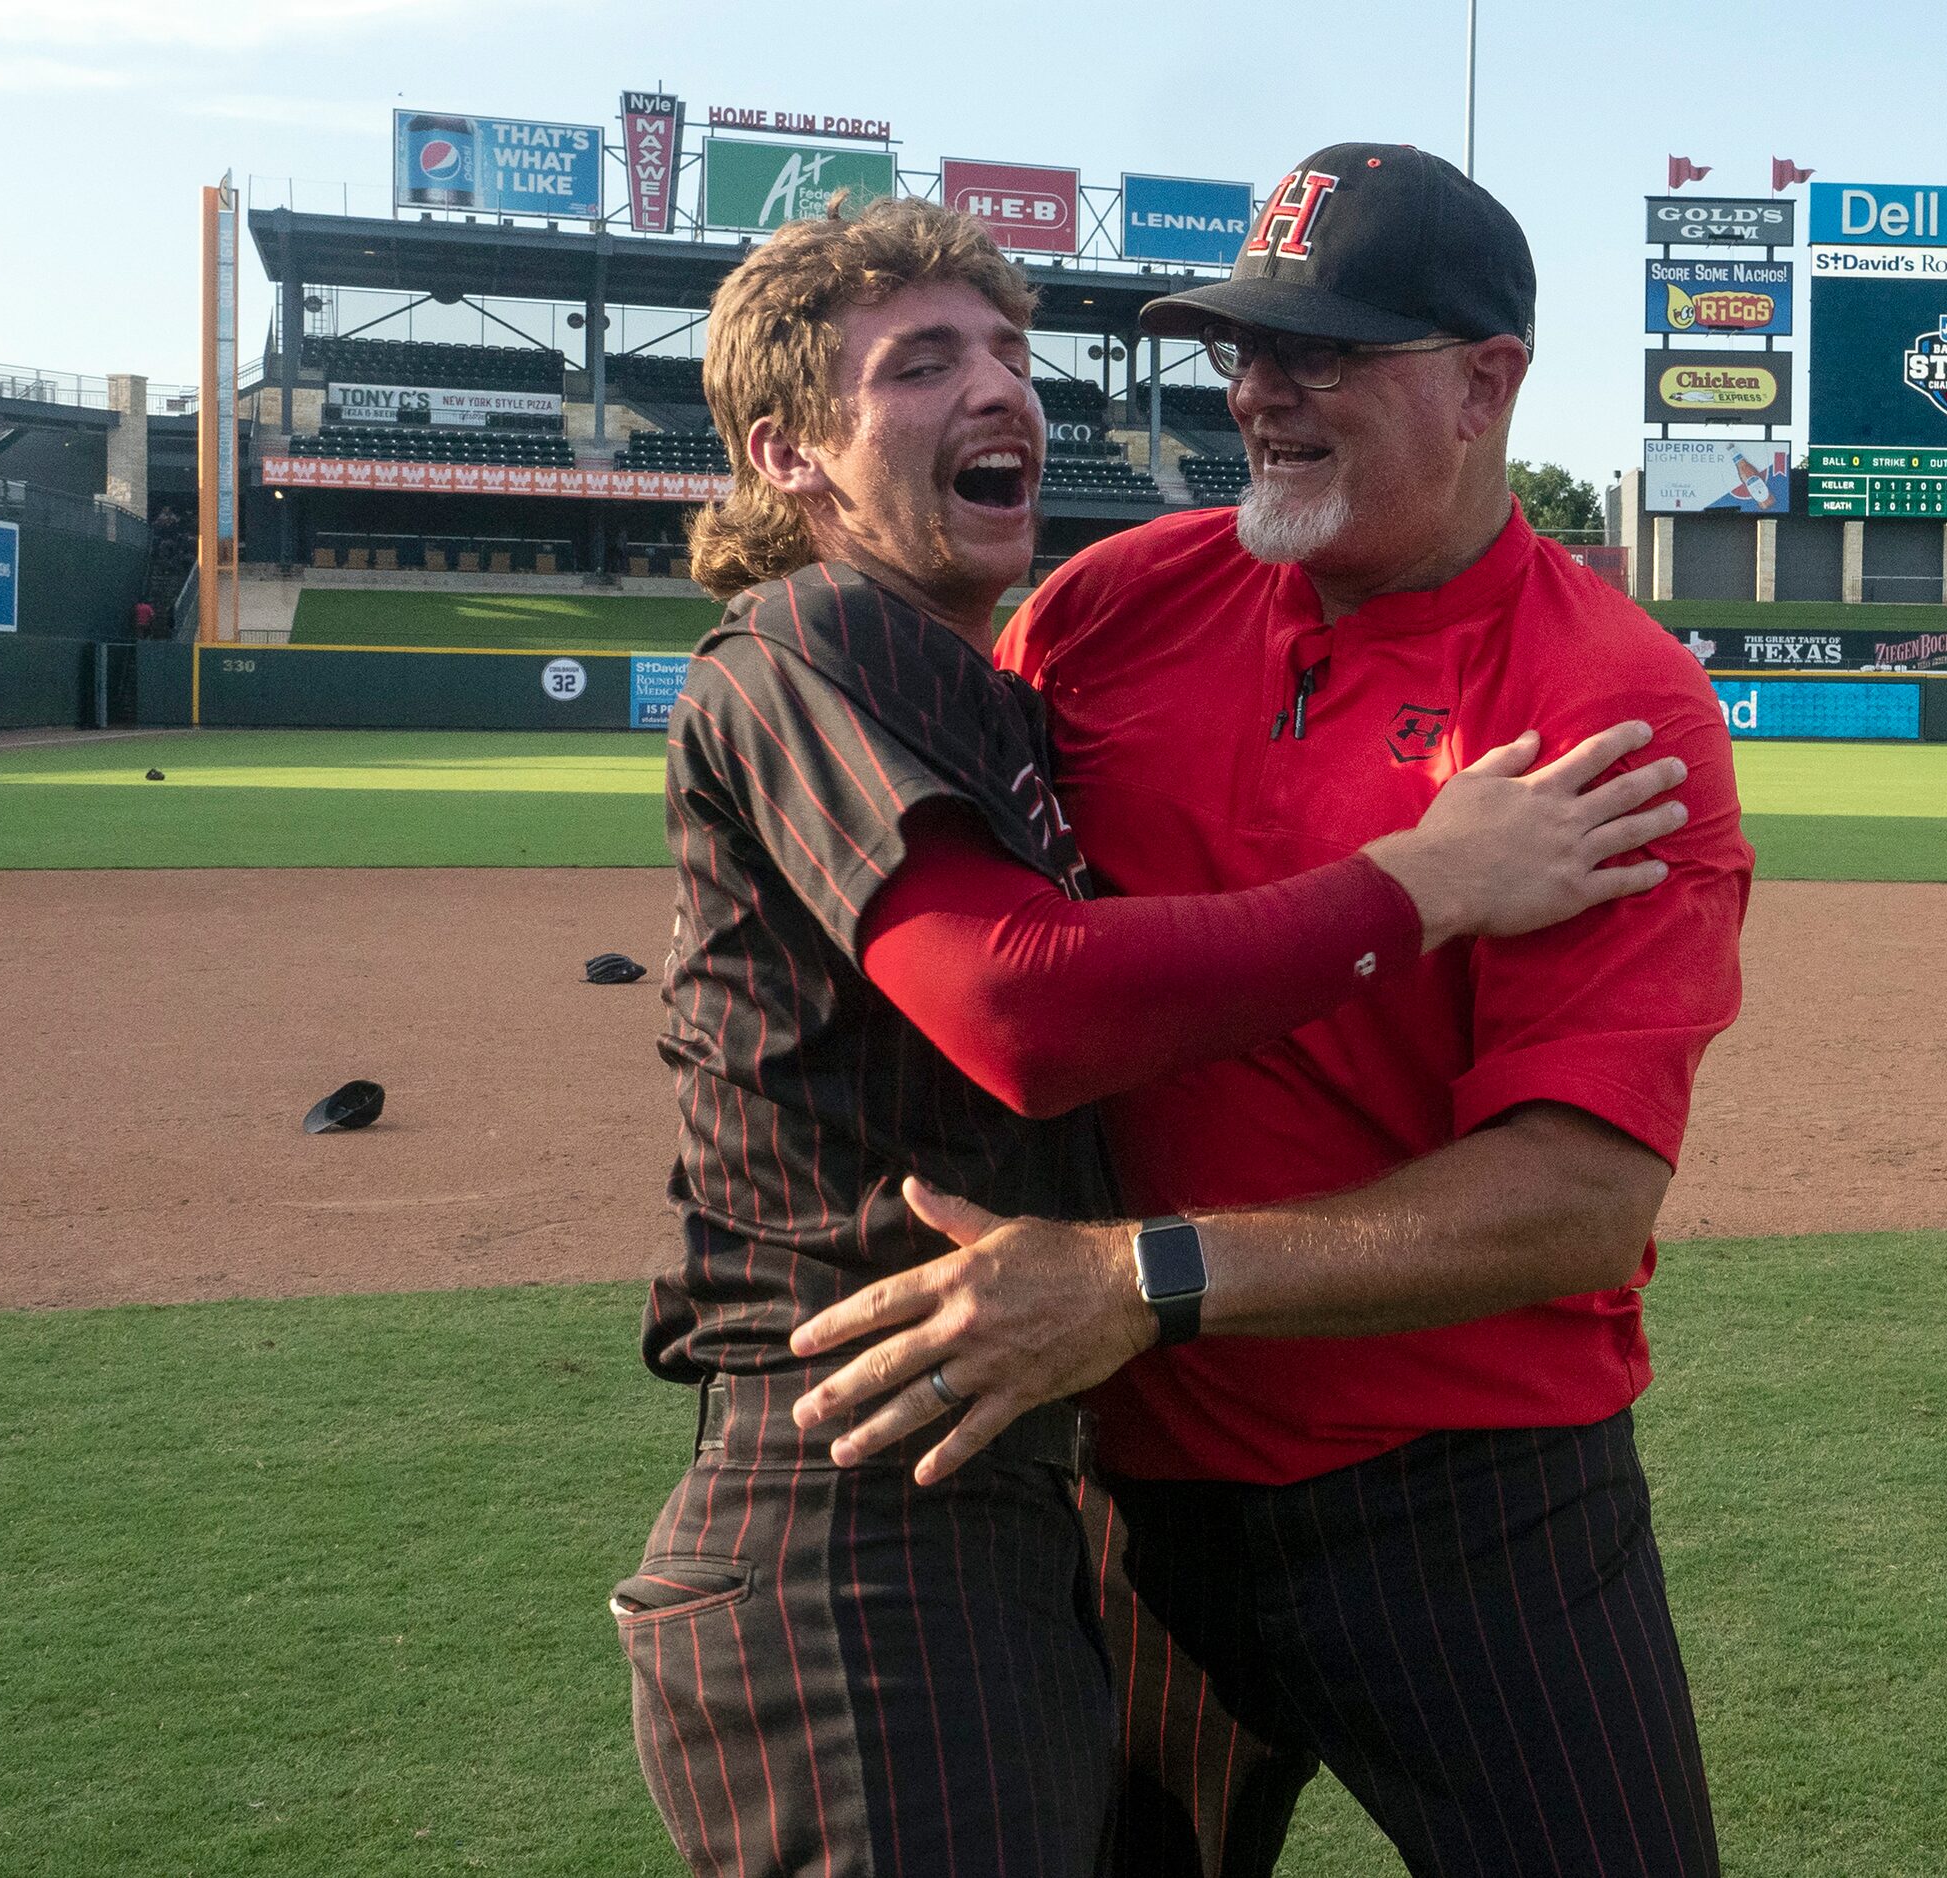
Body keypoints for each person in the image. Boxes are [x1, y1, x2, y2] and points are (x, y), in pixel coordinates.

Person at [611, 194, 1687, 1878]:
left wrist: (1138, 1275)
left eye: (1319, 347)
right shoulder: (1106, 607)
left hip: (1466, 1504)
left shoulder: (1611, 705)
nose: (1256, 387)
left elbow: (1580, 1201)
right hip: (1114, 1480)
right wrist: (1411, 887)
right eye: (1241, 345)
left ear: (1484, 386)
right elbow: (1004, 980)